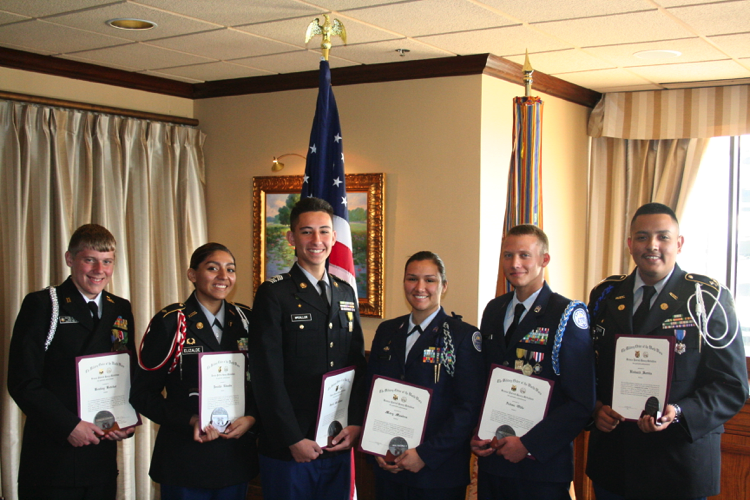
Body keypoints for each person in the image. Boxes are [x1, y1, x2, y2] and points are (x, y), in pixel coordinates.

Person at [587, 202, 749, 500]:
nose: (652, 245)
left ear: (679, 243)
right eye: (642, 237)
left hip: (678, 466)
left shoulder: (707, 298)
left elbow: (732, 385)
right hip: (615, 463)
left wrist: (680, 413)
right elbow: (587, 367)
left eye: (663, 237)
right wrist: (596, 407)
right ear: (629, 244)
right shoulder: (605, 295)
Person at [249, 197, 367, 500]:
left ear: (335, 237)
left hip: (337, 440)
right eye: (307, 232)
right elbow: (266, 376)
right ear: (291, 238)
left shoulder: (344, 292)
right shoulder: (274, 293)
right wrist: (292, 438)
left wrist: (354, 422)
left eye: (324, 231)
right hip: (291, 448)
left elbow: (355, 365)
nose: (317, 240)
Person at [8, 224, 135, 500]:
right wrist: (68, 426)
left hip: (100, 457)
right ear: (70, 259)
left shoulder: (119, 307)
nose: (99, 270)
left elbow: (126, 370)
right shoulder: (43, 304)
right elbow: (23, 382)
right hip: (53, 458)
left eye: (107, 261)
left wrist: (125, 420)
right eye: (89, 260)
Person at [470, 224, 596, 500]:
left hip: (541, 468)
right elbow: (485, 380)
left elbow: (582, 402)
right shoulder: (494, 310)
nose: (515, 264)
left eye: (525, 255)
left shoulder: (566, 314)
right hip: (494, 459)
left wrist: (528, 445)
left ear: (544, 260)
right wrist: (476, 432)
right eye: (508, 255)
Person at [130, 243, 258, 500]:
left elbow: (262, 382)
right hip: (184, 459)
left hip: (234, 458)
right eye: (213, 268)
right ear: (192, 275)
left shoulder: (246, 319)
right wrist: (191, 421)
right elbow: (142, 394)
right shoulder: (171, 322)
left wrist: (253, 417)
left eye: (230, 269)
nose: (224, 276)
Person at [368, 251, 485, 500]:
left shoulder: (462, 336)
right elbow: (372, 393)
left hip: (437, 473)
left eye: (429, 280)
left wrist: (425, 455)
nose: (420, 287)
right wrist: (375, 445)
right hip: (388, 467)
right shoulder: (387, 331)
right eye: (412, 279)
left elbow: (468, 407)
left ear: (443, 286)